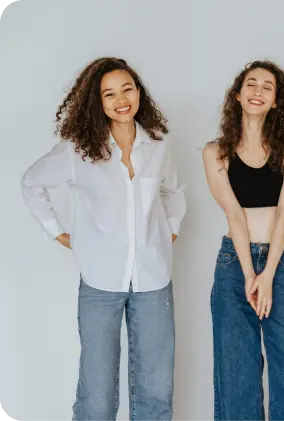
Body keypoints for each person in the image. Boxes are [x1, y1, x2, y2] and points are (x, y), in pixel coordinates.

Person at [21, 57, 186, 421]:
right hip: (100, 282)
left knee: (156, 390)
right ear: (98, 102)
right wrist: (58, 233)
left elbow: (174, 192)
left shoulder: (157, 146)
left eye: (127, 88)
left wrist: (169, 230)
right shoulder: (77, 149)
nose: (121, 99)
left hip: (154, 280)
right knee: (96, 393)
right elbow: (31, 182)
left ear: (139, 92)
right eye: (109, 94)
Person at [202, 60, 284, 421]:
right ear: (238, 94)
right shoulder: (215, 152)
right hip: (234, 264)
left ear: (277, 101)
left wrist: (268, 276)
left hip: (282, 262)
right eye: (251, 84)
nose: (258, 91)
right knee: (236, 372)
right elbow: (234, 214)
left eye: (267, 87)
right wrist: (251, 274)